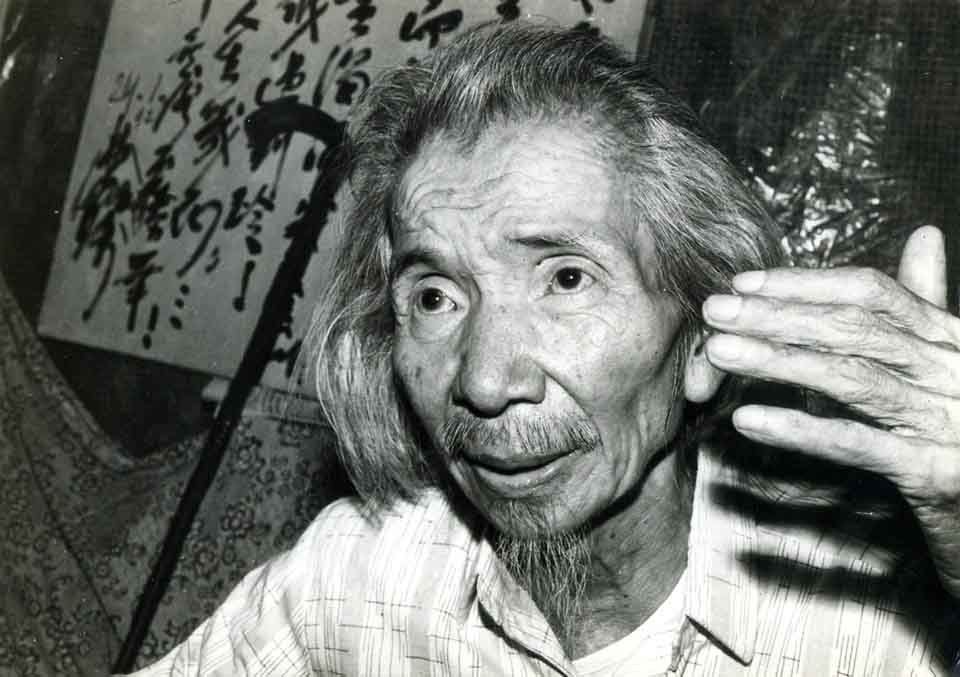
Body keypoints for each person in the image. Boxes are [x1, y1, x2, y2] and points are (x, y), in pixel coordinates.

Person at [130, 21, 960, 676]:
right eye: (435, 296)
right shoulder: (362, 573)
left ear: (705, 335)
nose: (487, 380)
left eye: (565, 279)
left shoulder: (873, 613)